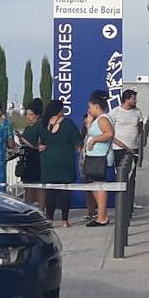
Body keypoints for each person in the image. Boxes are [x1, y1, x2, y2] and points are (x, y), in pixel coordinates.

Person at [40, 100, 81, 227]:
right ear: (59, 111)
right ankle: (65, 221)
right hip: (65, 161)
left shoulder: (43, 123)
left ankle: (50, 220)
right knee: (65, 192)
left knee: (50, 192)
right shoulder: (68, 124)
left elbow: (27, 138)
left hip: (48, 162)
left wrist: (39, 146)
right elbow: (78, 142)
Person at [82, 92, 116, 227]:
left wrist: (95, 139)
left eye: (90, 107)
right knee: (95, 186)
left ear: (97, 106)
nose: (89, 110)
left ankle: (102, 216)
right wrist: (89, 124)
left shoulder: (103, 119)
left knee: (100, 186)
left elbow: (109, 133)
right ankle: (101, 214)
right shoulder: (98, 120)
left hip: (101, 158)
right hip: (94, 157)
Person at [17, 98, 46, 209]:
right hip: (28, 157)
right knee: (28, 186)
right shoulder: (28, 127)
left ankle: (41, 209)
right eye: (27, 114)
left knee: (39, 185)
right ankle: (28, 208)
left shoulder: (41, 126)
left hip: (37, 158)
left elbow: (37, 143)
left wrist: (22, 139)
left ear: (37, 115)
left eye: (31, 114)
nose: (28, 117)